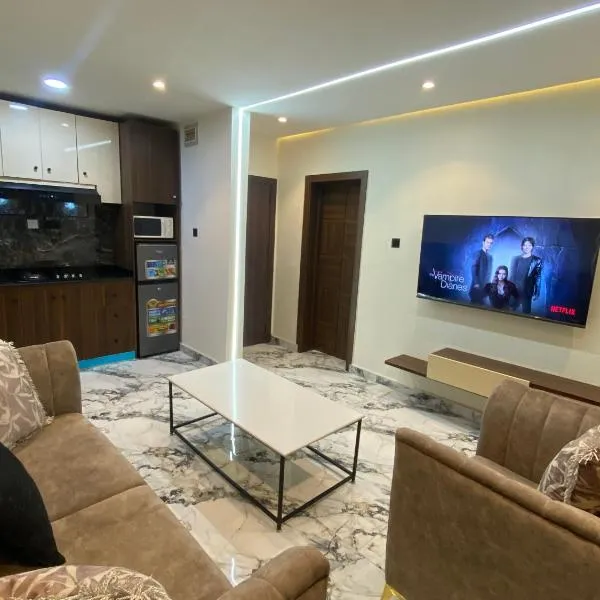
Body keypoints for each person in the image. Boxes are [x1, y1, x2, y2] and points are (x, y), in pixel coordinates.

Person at [510, 237, 543, 314]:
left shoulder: (537, 260)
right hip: (515, 290)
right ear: (522, 246)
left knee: (526, 312)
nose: (527, 247)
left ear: (532, 247)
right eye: (525, 245)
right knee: (510, 310)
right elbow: (511, 275)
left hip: (527, 291)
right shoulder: (515, 259)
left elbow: (538, 277)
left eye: (529, 245)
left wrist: (537, 292)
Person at [469, 234, 494, 304]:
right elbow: (473, 269)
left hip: (485, 288)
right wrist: (476, 283)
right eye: (487, 242)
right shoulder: (478, 253)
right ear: (483, 242)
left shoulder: (490, 257)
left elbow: (489, 272)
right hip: (477, 286)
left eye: (491, 243)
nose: (489, 244)